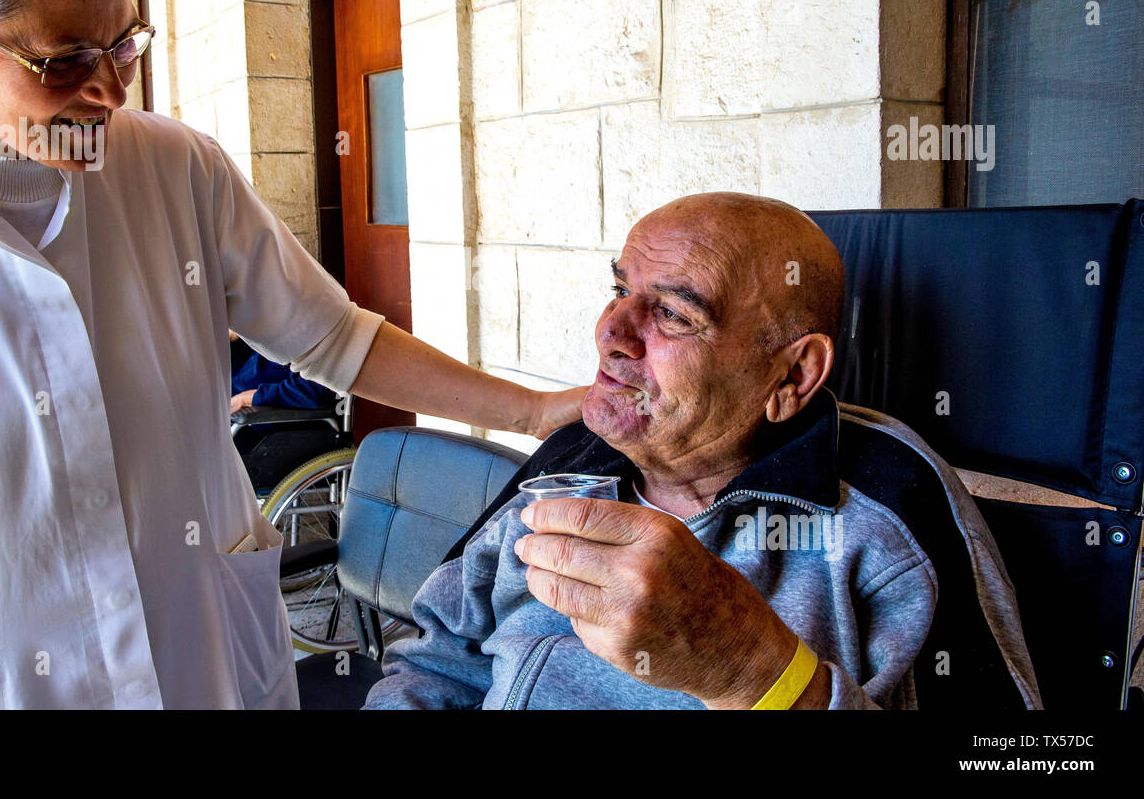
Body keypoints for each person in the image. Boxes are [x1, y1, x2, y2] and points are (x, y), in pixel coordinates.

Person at [0, 0, 582, 709]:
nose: (113, 93)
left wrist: (532, 413)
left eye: (124, 44)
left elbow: (332, 338)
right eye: (65, 61)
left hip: (205, 651)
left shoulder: (174, 165)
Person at [365, 192, 1041, 709]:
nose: (611, 332)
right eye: (621, 290)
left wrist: (754, 671)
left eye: (674, 314)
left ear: (793, 375)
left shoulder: (889, 501)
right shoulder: (573, 456)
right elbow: (436, 663)